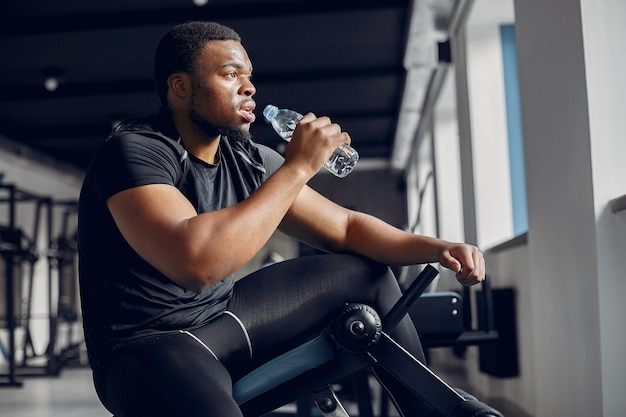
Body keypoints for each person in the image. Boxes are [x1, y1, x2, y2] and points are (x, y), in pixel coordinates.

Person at [78, 21, 485, 417]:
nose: (248, 86)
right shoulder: (135, 151)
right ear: (181, 87)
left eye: (249, 76)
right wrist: (298, 169)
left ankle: (430, 409)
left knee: (368, 275)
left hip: (220, 321)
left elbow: (346, 228)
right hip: (144, 347)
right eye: (229, 74)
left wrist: (439, 247)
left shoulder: (249, 159)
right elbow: (196, 264)